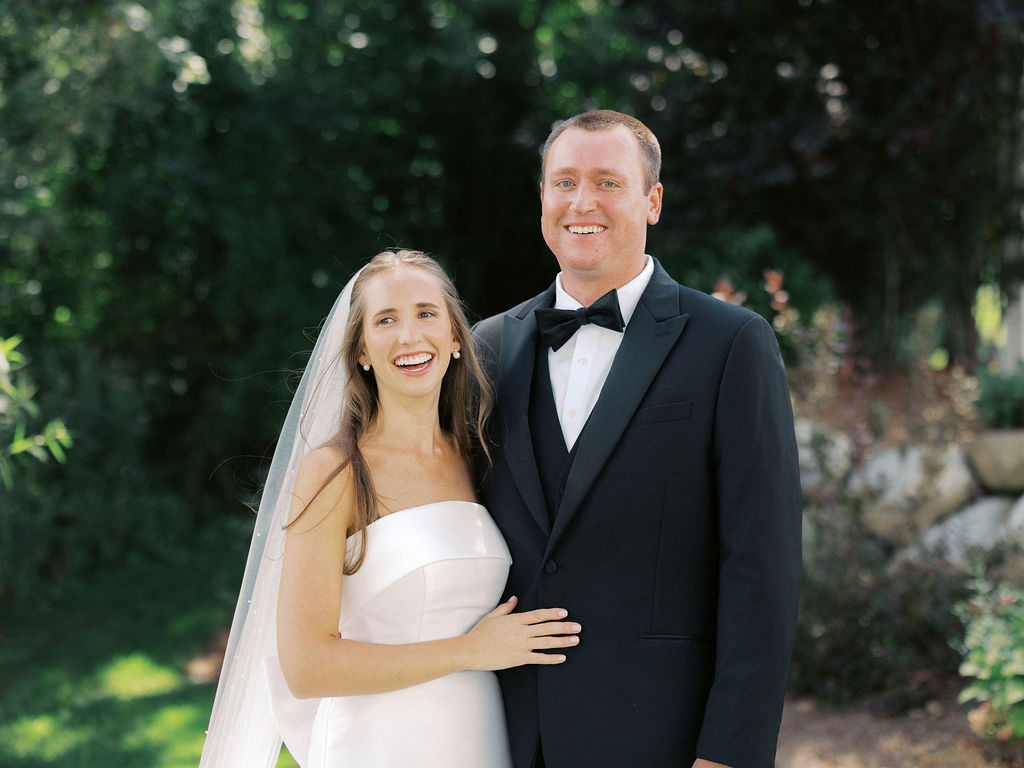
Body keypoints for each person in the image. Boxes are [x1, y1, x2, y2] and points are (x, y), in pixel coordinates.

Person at [474, 110, 803, 768]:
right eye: (564, 182)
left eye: (608, 182)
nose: (582, 202)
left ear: (652, 201)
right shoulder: (486, 348)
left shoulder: (731, 344)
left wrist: (729, 752)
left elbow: (761, 568)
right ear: (542, 198)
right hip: (505, 736)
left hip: (663, 738)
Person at [199, 250, 581, 768]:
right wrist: (472, 652)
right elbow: (307, 666)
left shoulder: (478, 456)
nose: (409, 337)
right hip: (377, 743)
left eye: (426, 313)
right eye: (386, 320)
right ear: (360, 351)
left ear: (454, 339)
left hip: (479, 738)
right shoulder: (335, 471)